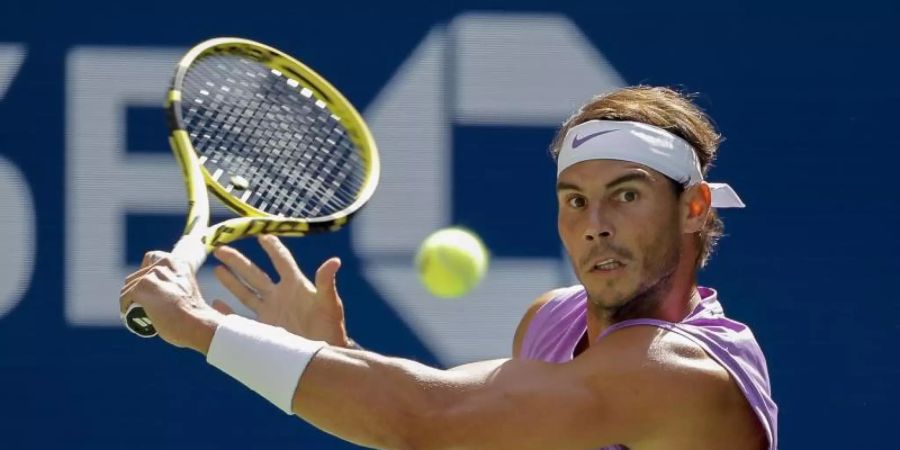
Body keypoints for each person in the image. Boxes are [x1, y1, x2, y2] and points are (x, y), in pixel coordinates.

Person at [119, 86, 777, 449]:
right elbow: (455, 416)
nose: (594, 223)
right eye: (574, 200)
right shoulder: (553, 318)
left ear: (693, 208)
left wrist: (203, 329)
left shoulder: (682, 374)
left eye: (626, 196)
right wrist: (334, 353)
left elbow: (427, 422)